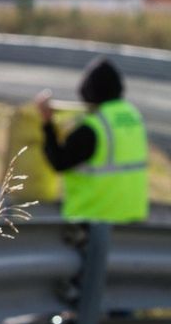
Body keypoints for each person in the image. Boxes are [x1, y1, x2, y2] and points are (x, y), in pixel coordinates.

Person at [35, 56, 148, 223]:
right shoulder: (133, 115)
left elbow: (59, 161)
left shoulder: (93, 127)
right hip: (132, 223)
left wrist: (47, 124)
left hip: (93, 223)